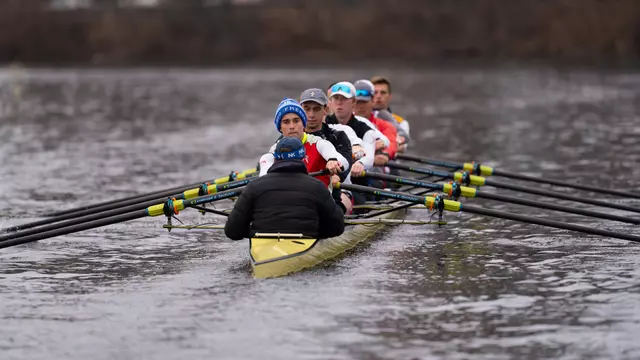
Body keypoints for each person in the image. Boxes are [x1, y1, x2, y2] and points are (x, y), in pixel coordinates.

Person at [225, 137, 345, 240]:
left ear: (276, 159)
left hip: (263, 248)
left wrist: (253, 231)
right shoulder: (317, 186)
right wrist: (336, 195)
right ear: (303, 157)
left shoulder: (254, 186)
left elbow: (232, 232)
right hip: (305, 243)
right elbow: (337, 228)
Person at [259, 98, 350, 188]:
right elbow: (263, 177)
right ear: (280, 128)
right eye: (286, 122)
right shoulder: (273, 151)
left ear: (303, 124)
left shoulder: (320, 144)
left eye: (296, 121)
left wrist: (333, 161)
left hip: (319, 199)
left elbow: (344, 163)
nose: (292, 126)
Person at [353, 79, 397, 165]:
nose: (361, 106)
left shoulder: (385, 125)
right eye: (358, 102)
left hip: (376, 167)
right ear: (352, 102)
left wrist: (385, 153)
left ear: (373, 101)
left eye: (365, 102)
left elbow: (391, 142)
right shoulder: (342, 124)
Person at [371, 75, 410, 153]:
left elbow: (401, 147)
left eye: (383, 92)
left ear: (389, 96)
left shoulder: (401, 123)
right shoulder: (360, 118)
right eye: (375, 92)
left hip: (388, 161)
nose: (378, 96)